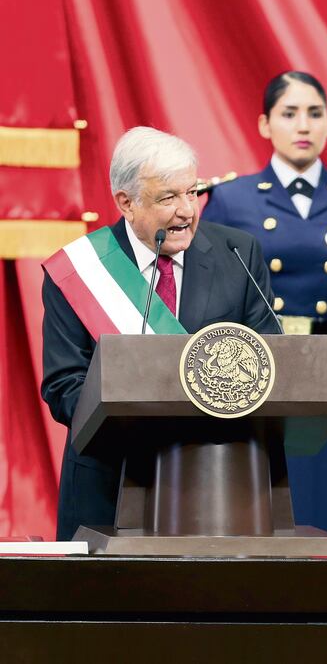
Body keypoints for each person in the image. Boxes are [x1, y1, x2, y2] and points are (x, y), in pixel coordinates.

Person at [41, 126, 281, 541]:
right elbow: (64, 387)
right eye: (168, 198)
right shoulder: (79, 272)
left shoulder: (238, 254)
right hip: (108, 486)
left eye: (193, 192)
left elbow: (270, 361)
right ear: (126, 203)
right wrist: (149, 424)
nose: (187, 211)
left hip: (218, 479)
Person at [201, 71, 327, 535]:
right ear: (265, 124)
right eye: (289, 114)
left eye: (314, 113)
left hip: (326, 368)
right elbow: (209, 303)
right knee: (252, 502)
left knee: (320, 505)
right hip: (250, 367)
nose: (303, 126)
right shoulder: (230, 199)